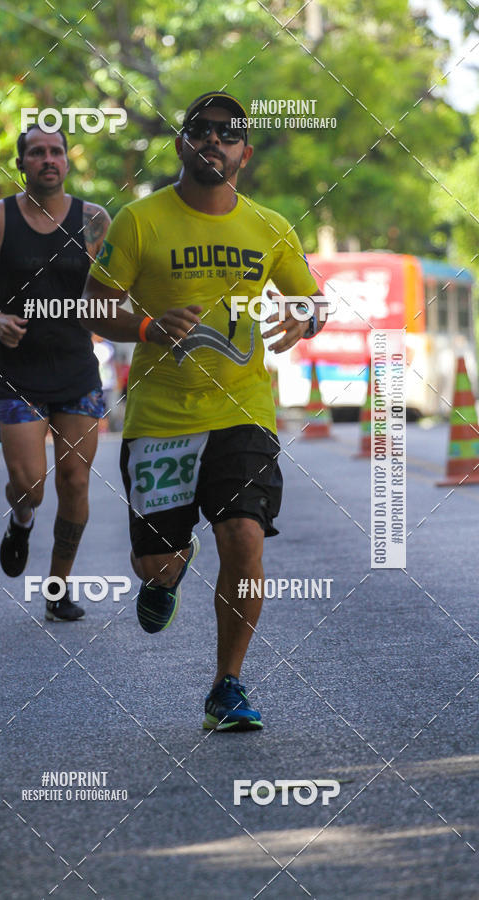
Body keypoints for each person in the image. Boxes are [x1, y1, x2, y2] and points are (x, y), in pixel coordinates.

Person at [82, 91, 327, 731]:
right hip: (161, 418)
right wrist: (146, 326)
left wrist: (304, 315)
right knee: (157, 563)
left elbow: (316, 301)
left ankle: (228, 684)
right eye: (200, 130)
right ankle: (165, 576)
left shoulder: (270, 226)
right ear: (181, 145)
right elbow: (93, 305)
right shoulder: (139, 221)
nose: (212, 141)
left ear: (244, 153)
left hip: (242, 409)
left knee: (243, 536)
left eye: (227, 133)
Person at [0, 125, 112, 622]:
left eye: (57, 151)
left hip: (77, 371)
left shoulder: (93, 220)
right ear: (21, 163)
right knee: (31, 486)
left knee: (75, 482)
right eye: (37, 152)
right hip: (20, 374)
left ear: (67, 161)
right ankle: (21, 520)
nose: (49, 159)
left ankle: (58, 587)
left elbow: (110, 286)